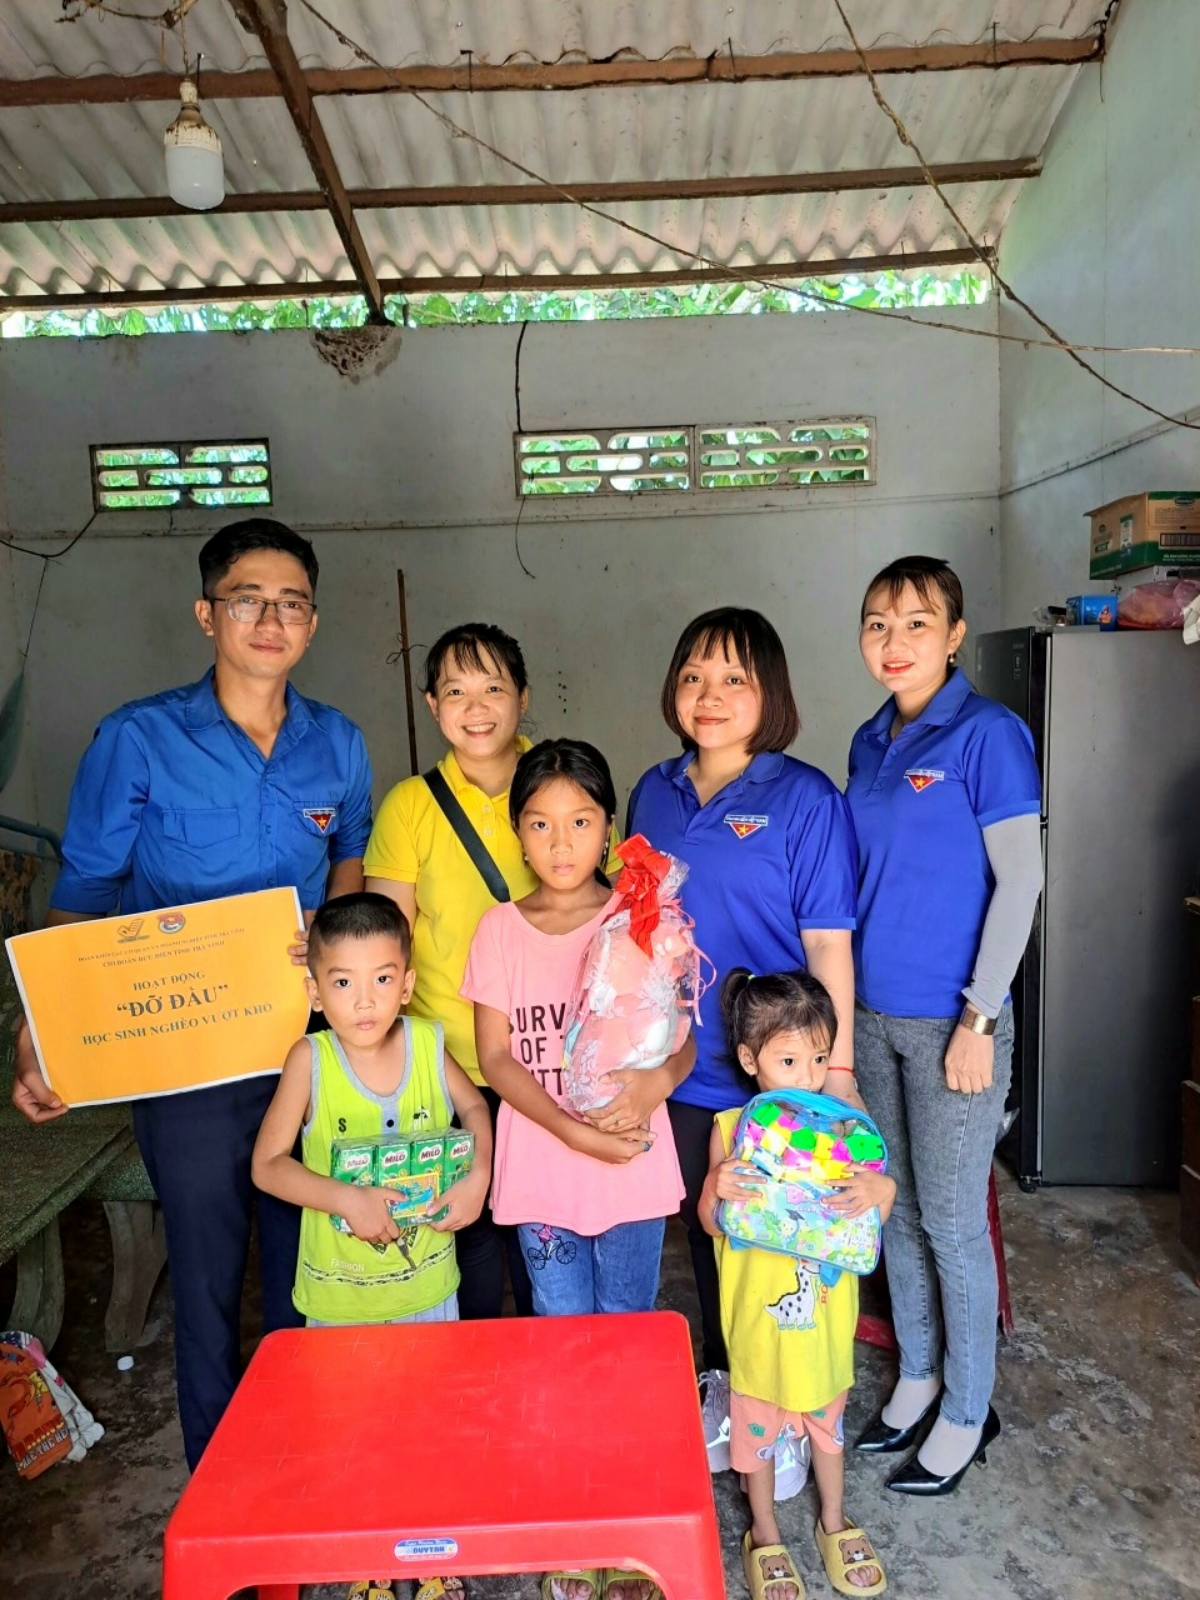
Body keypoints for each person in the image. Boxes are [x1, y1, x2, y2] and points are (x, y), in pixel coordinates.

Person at [9, 518, 373, 1470]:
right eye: (249, 600)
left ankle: (311, 1457)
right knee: (207, 1277)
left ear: (313, 623)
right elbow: (84, 893)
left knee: (310, 1265)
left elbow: (351, 857)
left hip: (304, 1047)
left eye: (291, 604)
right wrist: (43, 1030)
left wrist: (335, 946)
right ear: (208, 615)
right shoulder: (140, 739)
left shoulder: (337, 745)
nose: (271, 620)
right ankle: (221, 1474)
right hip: (188, 1059)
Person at [628, 608, 859, 1469]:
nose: (709, 695)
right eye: (693, 676)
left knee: (784, 1244)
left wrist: (835, 1069)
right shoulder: (654, 791)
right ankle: (730, 1390)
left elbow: (828, 943)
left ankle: (791, 1409)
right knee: (711, 1228)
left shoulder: (805, 799)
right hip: (680, 1063)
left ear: (772, 694)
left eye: (734, 678)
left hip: (777, 1077)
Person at [463, 739, 691, 1600]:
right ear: (517, 831)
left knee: (626, 1333)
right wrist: (573, 1132)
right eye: (540, 824)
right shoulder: (499, 930)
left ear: (608, 828)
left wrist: (657, 1083)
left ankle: (625, 1527)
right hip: (547, 1170)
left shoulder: (641, 918)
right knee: (562, 1337)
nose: (561, 843)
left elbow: (683, 1037)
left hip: (630, 1163)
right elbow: (497, 1058)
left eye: (581, 821)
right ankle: (573, 1521)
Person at [846, 556, 1042, 1495]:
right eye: (878, 624)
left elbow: (1022, 881)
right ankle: (918, 1375)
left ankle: (969, 1410)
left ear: (955, 636)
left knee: (955, 1223)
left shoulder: (988, 734)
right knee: (896, 1209)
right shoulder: (868, 740)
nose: (895, 642)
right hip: (872, 1015)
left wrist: (981, 1016)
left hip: (954, 1022)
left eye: (917, 623)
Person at [253, 892, 491, 1600]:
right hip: (340, 1298)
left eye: (383, 978)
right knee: (353, 1432)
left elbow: (475, 1107)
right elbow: (267, 1166)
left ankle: (432, 1556)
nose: (365, 1000)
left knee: (429, 1425)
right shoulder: (311, 1061)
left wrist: (479, 1172)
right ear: (315, 992)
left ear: (407, 983)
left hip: (427, 1287)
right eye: (343, 982)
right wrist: (344, 1198)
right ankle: (371, 1563)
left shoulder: (428, 1044)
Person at [699, 968, 893, 1600]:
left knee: (827, 1426)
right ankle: (764, 1531)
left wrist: (882, 1188)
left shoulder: (844, 1131)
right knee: (755, 1434)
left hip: (826, 1325)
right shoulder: (733, 1130)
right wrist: (717, 1187)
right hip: (758, 1329)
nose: (808, 1078)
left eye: (818, 1058)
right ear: (750, 1060)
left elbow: (872, 1223)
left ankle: (833, 1520)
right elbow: (710, 1223)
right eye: (788, 1061)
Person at [363, 623, 536, 1319]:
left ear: (523, 698)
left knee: (544, 1234)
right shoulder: (410, 805)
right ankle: (481, 1363)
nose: (477, 707)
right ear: (433, 706)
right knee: (470, 1231)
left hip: (549, 1056)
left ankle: (542, 1362)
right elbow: (386, 940)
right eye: (457, 692)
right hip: (451, 1061)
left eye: (493, 687)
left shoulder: (560, 782)